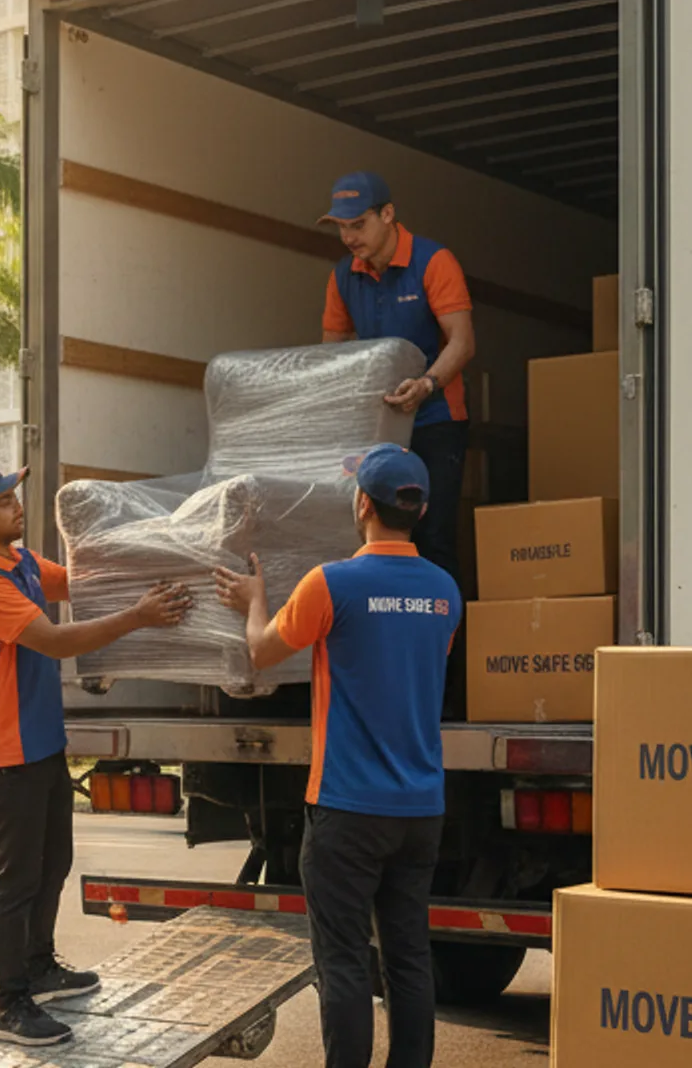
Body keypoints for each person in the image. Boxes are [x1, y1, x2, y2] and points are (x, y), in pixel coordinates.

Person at [214, 443, 461, 1068]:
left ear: (361, 504)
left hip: (347, 810)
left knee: (345, 962)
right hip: (420, 810)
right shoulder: (446, 593)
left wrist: (254, 600)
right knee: (408, 959)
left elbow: (265, 652)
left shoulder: (333, 583)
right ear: (421, 507)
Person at [0, 461, 194, 1047]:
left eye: (15, 495)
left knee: (53, 862)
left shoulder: (23, 563)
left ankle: (38, 968)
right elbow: (55, 640)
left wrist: (164, 549)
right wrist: (139, 616)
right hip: (4, 752)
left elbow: (79, 582)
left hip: (41, 745)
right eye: (3, 501)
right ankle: (9, 1005)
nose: (17, 505)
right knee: (17, 879)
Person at [319, 171, 477, 584]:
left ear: (388, 214)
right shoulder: (342, 276)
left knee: (433, 534)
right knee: (377, 537)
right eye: (341, 228)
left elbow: (462, 342)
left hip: (436, 418)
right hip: (380, 426)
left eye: (359, 225)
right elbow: (332, 356)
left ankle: (444, 648)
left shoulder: (432, 261)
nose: (349, 238)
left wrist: (426, 385)